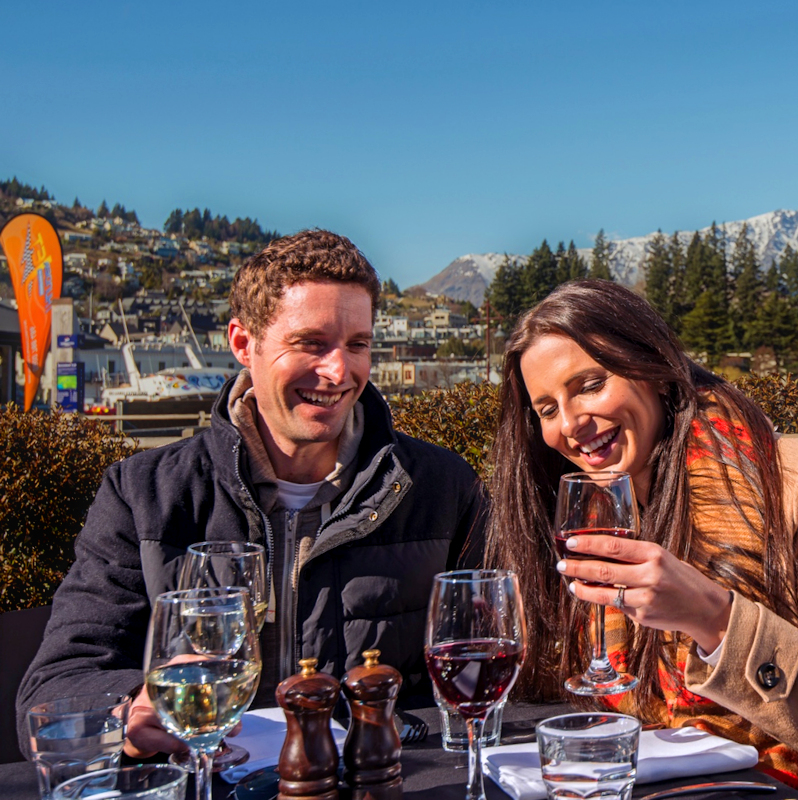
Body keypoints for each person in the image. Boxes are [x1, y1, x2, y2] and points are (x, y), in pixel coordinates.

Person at [485, 280, 798, 800]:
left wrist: (716, 621)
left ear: (653, 370)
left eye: (589, 385)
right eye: (547, 409)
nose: (570, 424)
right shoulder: (584, 518)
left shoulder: (795, 479)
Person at [17, 229, 487, 759]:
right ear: (244, 344)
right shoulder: (142, 495)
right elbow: (56, 687)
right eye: (311, 343)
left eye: (357, 345)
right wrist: (130, 708)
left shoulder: (443, 488)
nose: (338, 371)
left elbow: (494, 662)